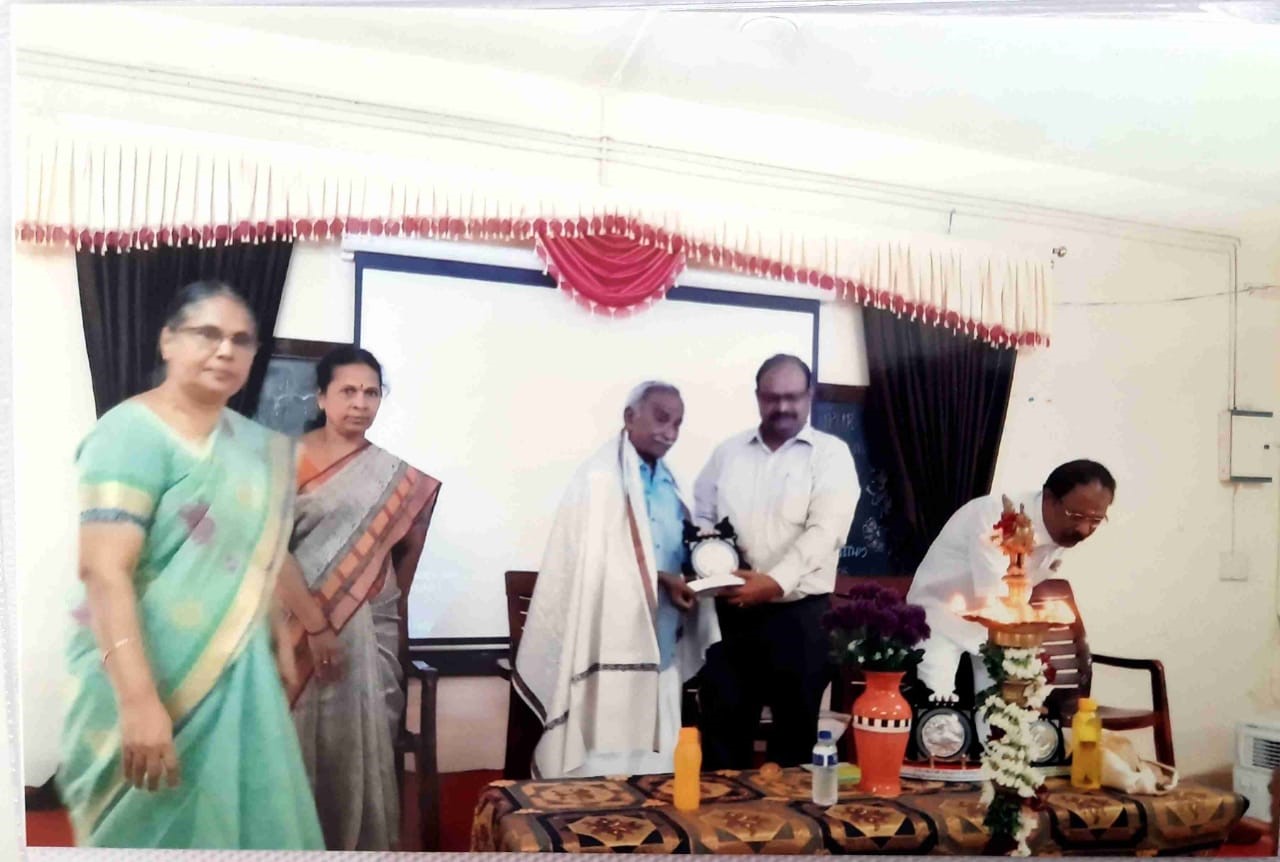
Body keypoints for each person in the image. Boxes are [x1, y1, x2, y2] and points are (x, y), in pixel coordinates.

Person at [57, 280, 324, 849]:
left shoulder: (254, 447)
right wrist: (138, 701)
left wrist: (278, 637)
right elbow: (104, 571)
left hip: (237, 674)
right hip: (146, 672)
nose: (226, 350)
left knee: (249, 826)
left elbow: (253, 555)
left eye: (241, 340)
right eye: (208, 333)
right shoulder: (129, 432)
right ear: (168, 342)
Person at [275, 346, 441, 851]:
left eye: (371, 392)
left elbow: (409, 545)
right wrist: (317, 624)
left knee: (368, 741)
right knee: (298, 743)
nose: (360, 403)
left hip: (373, 627)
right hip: (296, 626)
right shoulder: (284, 461)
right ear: (321, 397)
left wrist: (380, 603)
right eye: (347, 391)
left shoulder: (394, 474)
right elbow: (268, 551)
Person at [514, 381, 719, 779]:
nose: (670, 432)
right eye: (661, 418)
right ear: (629, 416)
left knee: (657, 770)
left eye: (677, 424)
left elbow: (675, 552)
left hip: (661, 637)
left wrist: (702, 572)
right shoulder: (600, 479)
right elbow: (596, 565)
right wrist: (662, 578)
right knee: (600, 771)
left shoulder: (671, 483)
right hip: (606, 642)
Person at [693, 354, 860, 770]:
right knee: (722, 742)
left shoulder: (831, 455)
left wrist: (773, 582)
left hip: (800, 619)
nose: (782, 406)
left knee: (794, 747)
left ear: (810, 395)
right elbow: (701, 516)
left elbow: (826, 531)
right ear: (757, 397)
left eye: (792, 396)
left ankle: (790, 815)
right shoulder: (728, 453)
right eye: (771, 397)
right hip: (730, 617)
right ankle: (721, 813)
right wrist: (712, 564)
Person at [906, 459, 1116, 700]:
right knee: (937, 710)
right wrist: (1033, 626)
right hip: (940, 618)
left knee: (1005, 712)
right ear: (1049, 498)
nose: (1085, 529)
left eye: (1096, 521)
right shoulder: (998, 516)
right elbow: (994, 593)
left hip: (997, 630)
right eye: (1076, 516)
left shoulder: (1064, 529)